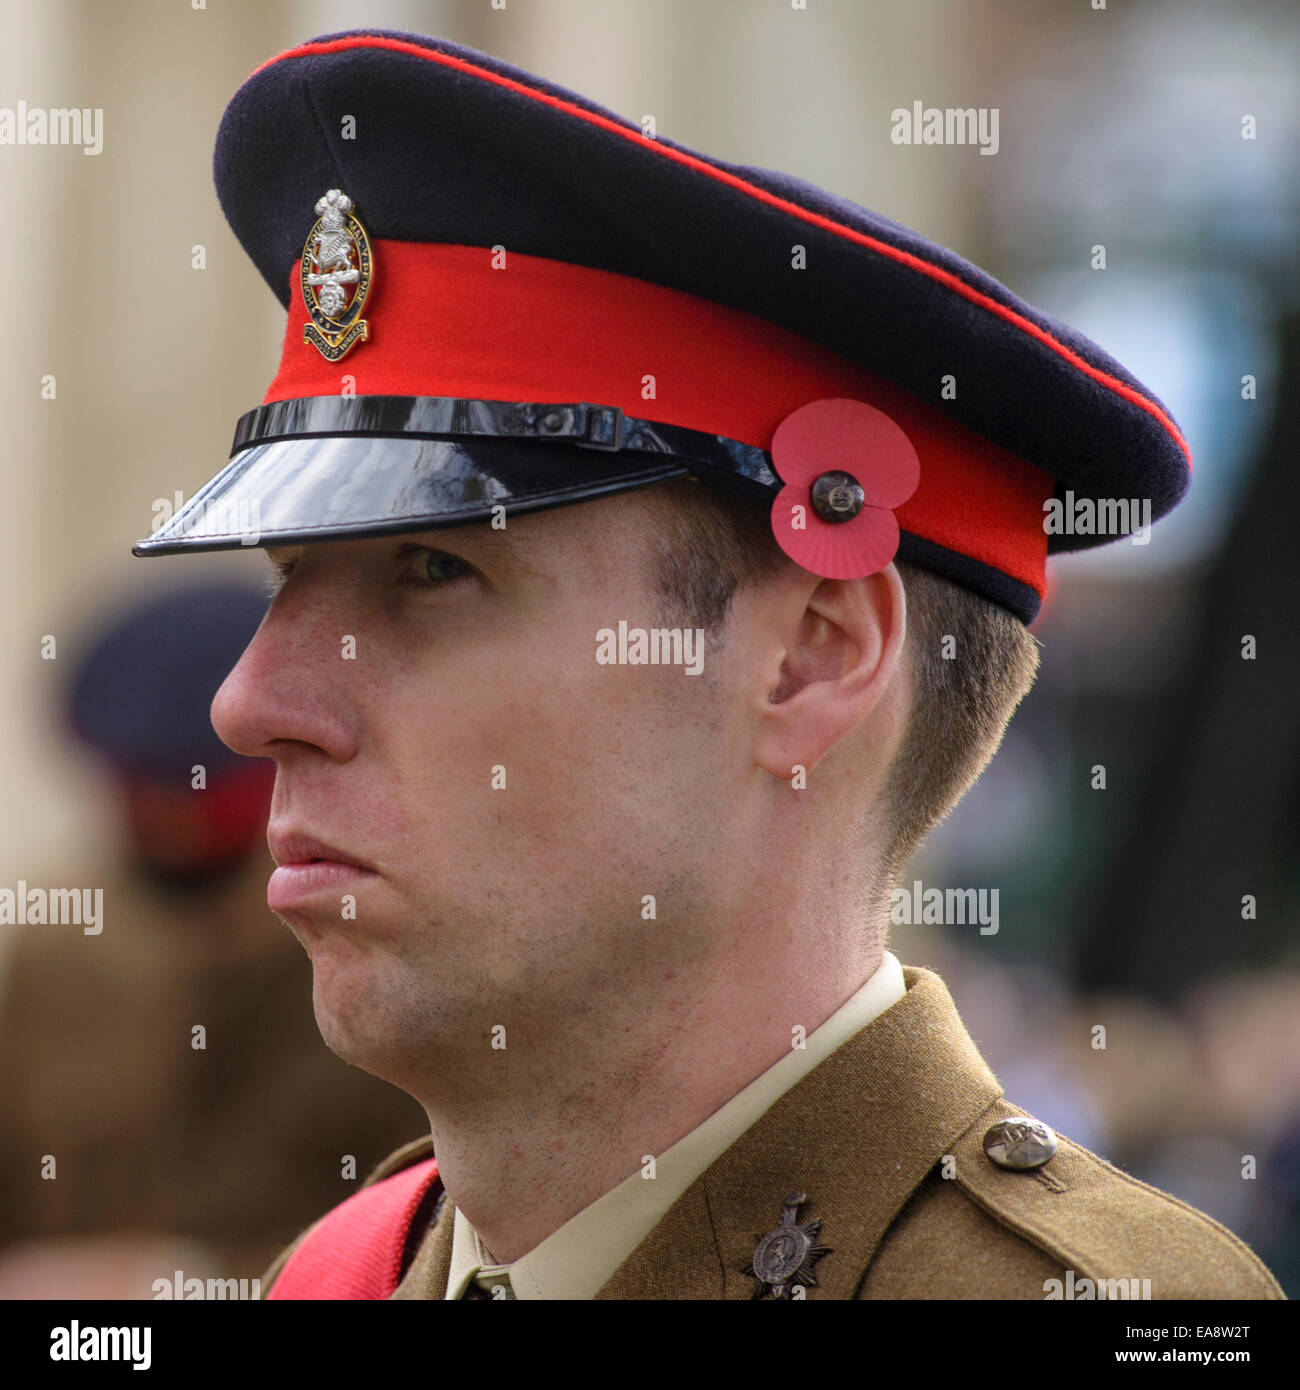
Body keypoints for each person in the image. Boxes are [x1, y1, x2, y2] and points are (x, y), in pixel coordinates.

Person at [132, 28, 1283, 1300]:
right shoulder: (344, 1274)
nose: (249, 705)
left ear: (808, 658)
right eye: (293, 577)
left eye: (431, 569)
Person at [0, 583, 423, 1298]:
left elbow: (438, 1232)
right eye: (146, 785)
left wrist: (178, 1282)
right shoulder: (56, 955)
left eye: (198, 785)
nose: (171, 813)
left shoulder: (376, 935)